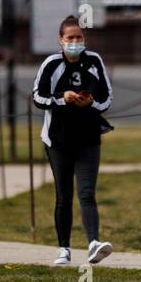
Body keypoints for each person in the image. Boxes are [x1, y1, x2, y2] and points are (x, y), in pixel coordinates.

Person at [32, 15, 114, 267]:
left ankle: (93, 244)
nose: (75, 42)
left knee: (87, 193)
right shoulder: (51, 63)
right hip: (58, 140)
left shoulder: (94, 61)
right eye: (70, 38)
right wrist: (61, 98)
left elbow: (107, 96)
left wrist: (92, 104)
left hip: (88, 138)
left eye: (79, 37)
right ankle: (64, 250)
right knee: (63, 196)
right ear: (61, 40)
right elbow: (37, 97)